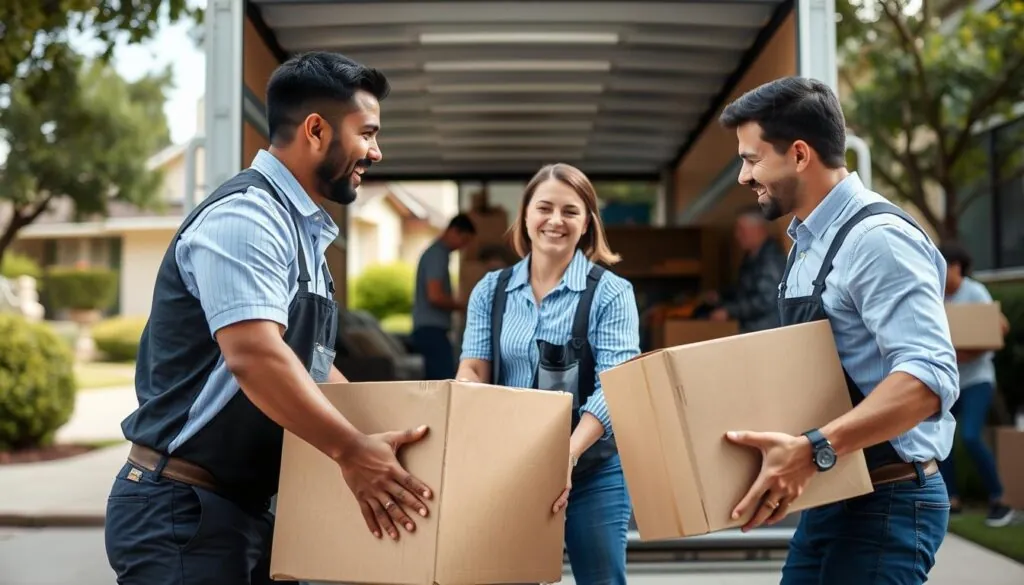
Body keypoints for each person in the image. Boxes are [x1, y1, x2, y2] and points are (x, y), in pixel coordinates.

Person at [104, 52, 435, 585]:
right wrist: (352, 451)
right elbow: (256, 357)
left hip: (244, 511)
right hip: (182, 512)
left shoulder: (302, 232)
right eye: (367, 133)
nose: (376, 151)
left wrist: (386, 440)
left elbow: (314, 370)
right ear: (316, 130)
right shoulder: (246, 216)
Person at [718, 77, 960, 584]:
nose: (743, 177)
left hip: (888, 503)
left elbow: (927, 378)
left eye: (751, 159)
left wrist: (811, 449)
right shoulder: (807, 244)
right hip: (835, 493)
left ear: (800, 154)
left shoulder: (878, 241)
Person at [455, 163, 640, 585]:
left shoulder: (610, 292)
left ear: (588, 223)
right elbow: (475, 364)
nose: (555, 221)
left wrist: (567, 456)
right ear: (525, 216)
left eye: (570, 211)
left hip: (592, 469)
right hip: (510, 467)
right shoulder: (491, 289)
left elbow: (614, 385)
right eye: (545, 208)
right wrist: (465, 392)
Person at [937, 241, 1015, 527]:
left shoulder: (975, 292)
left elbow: (998, 328)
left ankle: (1000, 499)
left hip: (976, 380)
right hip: (949, 380)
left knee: (969, 436)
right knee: (939, 436)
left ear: (957, 267)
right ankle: (951, 499)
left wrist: (963, 351)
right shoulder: (936, 295)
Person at [411, 213, 476, 379]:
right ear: (454, 231)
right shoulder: (437, 255)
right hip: (431, 330)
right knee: (442, 381)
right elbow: (435, 296)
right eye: (465, 239)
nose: (464, 246)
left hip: (431, 329)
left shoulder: (439, 254)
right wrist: (464, 306)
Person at [707, 206, 787, 332]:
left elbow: (765, 300)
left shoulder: (771, 259)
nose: (737, 235)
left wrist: (730, 310)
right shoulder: (752, 257)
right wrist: (721, 295)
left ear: (758, 229)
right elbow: (745, 288)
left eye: (741, 230)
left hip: (765, 331)